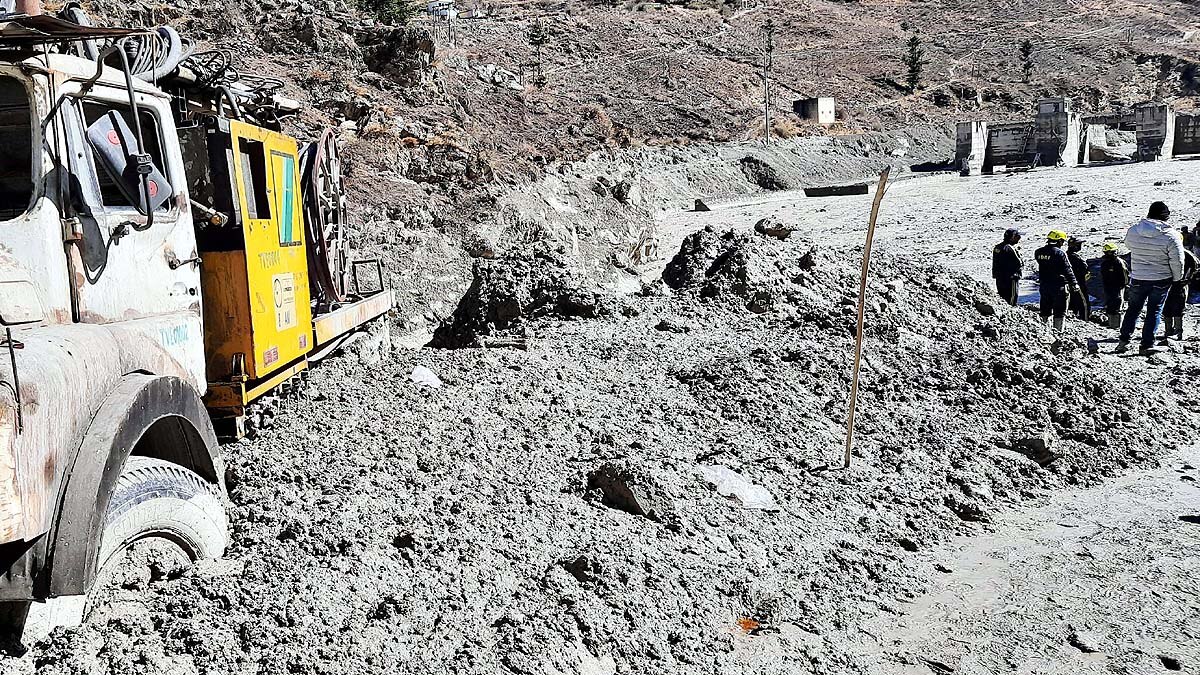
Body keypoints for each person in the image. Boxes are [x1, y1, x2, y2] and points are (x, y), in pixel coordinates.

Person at [1117, 201, 1184, 355]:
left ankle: (1123, 341)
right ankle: (1146, 345)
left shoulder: (1134, 230)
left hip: (1139, 277)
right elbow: (1178, 261)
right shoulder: (1171, 235)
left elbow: (1128, 245)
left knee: (1133, 309)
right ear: (1165, 217)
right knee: (1154, 311)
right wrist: (1177, 279)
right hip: (1161, 279)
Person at [1034, 229, 1078, 333]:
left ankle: (1044, 331)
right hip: (1059, 286)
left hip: (1044, 285)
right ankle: (1059, 332)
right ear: (1059, 241)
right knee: (1060, 311)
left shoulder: (1038, 252)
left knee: (1045, 309)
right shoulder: (1060, 253)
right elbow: (1068, 269)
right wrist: (1074, 283)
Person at [1161, 247, 1198, 342]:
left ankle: (1174, 331)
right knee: (1172, 308)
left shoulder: (1166, 252)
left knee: (1173, 308)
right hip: (1175, 284)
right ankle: (1173, 331)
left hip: (1173, 284)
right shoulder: (1187, 254)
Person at [1100, 242, 1129, 330]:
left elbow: (1125, 276)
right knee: (1110, 305)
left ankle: (1117, 326)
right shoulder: (1105, 263)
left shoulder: (1119, 262)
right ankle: (1111, 324)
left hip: (1118, 287)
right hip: (1109, 287)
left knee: (1117, 305)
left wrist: (1124, 285)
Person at [991, 228, 1023, 306]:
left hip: (999, 277)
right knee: (1012, 298)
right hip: (1011, 278)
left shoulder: (997, 247)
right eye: (1017, 237)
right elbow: (1019, 263)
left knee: (1002, 297)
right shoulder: (1009, 248)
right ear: (1012, 237)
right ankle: (1012, 312)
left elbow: (995, 262)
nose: (1018, 239)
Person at [1066, 237, 1091, 321]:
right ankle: (1085, 320)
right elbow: (1085, 270)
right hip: (1079, 283)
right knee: (1084, 304)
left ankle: (1073, 320)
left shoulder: (1065, 256)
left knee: (1071, 303)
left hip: (1069, 284)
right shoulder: (1076, 258)